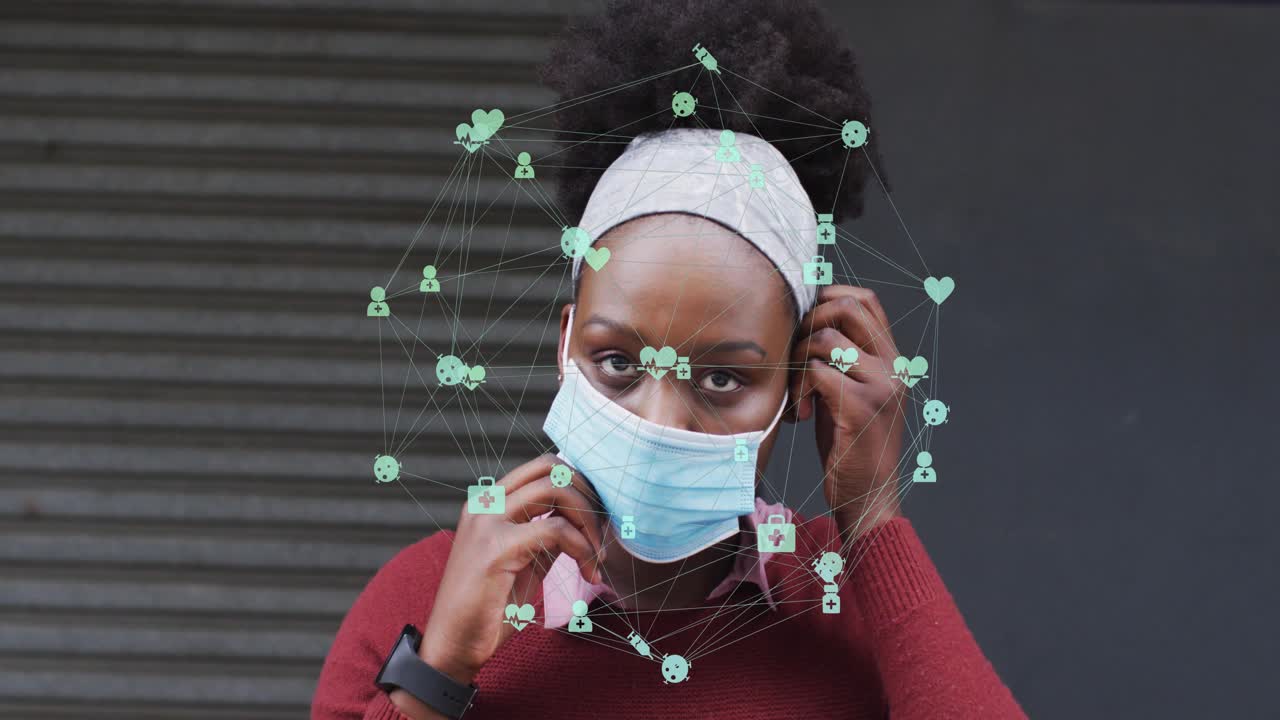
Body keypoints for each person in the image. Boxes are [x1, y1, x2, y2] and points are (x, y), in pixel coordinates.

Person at [312, 1, 1026, 718]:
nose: (657, 422)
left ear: (801, 385)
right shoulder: (425, 595)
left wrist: (872, 521)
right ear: (566, 346)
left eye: (722, 377)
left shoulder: (850, 607)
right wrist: (441, 671)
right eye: (618, 362)